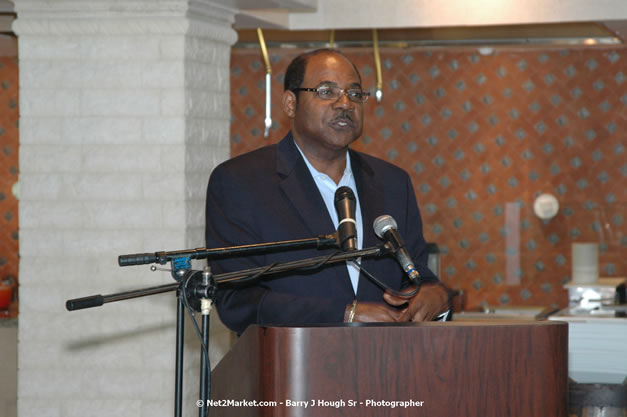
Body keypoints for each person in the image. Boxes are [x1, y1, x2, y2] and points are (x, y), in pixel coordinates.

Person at [205, 49, 449, 335]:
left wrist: (436, 296)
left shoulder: (393, 183)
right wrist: (344, 314)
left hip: (385, 369)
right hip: (291, 370)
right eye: (326, 91)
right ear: (290, 103)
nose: (344, 103)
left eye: (355, 94)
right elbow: (237, 301)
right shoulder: (241, 182)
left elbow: (418, 276)